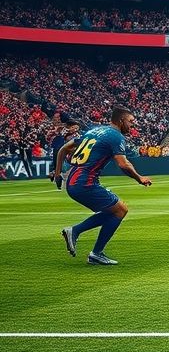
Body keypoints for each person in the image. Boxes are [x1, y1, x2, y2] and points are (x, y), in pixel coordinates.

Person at [54, 106, 152, 266]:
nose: (132, 125)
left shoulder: (93, 131)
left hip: (74, 181)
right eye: (131, 121)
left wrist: (58, 174)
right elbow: (123, 164)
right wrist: (139, 178)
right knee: (120, 210)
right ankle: (88, 245)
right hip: (84, 183)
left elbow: (63, 149)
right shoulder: (116, 136)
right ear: (121, 120)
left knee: (114, 211)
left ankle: (84, 241)